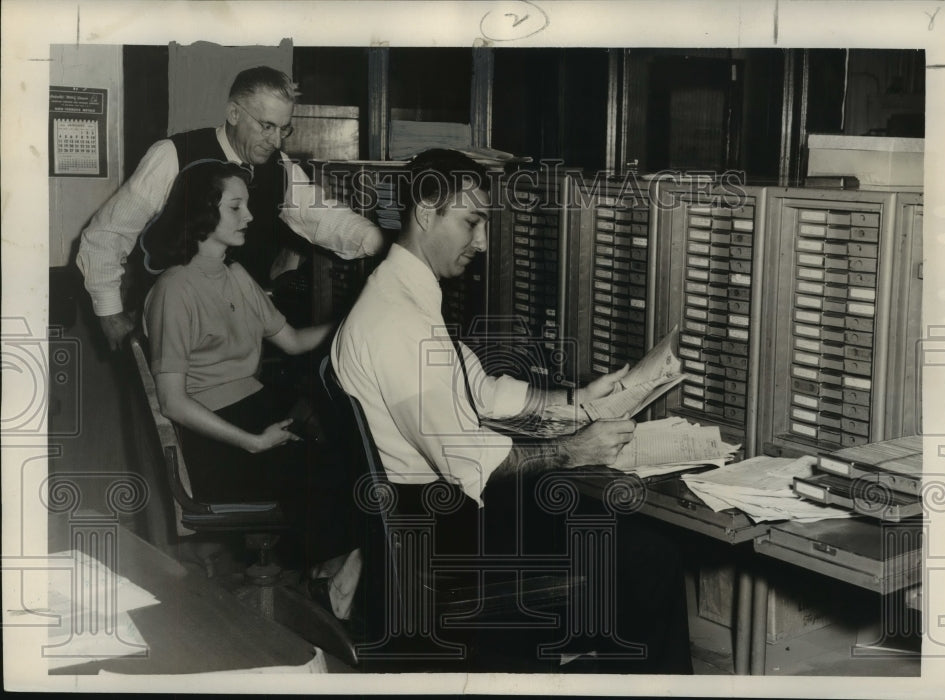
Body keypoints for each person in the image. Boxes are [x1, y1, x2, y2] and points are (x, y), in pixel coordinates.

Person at [331, 149, 692, 673]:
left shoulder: (402, 297)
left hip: (425, 518)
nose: (481, 242)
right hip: (437, 537)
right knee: (648, 555)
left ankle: (586, 661)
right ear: (426, 213)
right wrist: (573, 451)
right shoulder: (397, 325)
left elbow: (484, 392)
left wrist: (583, 400)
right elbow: (476, 464)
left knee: (622, 537)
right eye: (472, 222)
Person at [142, 159, 354, 589]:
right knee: (331, 476)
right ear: (203, 213)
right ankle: (335, 582)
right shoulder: (174, 290)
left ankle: (338, 577)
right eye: (235, 207)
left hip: (255, 412)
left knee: (359, 457)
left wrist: (356, 323)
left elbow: (292, 340)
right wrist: (254, 443)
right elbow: (172, 402)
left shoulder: (236, 275)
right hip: (218, 441)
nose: (250, 216)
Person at [79, 65, 383, 350]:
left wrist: (381, 243)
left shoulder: (281, 168)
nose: (276, 141)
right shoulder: (173, 155)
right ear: (234, 113)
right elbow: (108, 234)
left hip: (237, 329)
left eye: (283, 129)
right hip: (172, 327)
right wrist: (109, 312)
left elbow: (322, 216)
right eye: (266, 126)